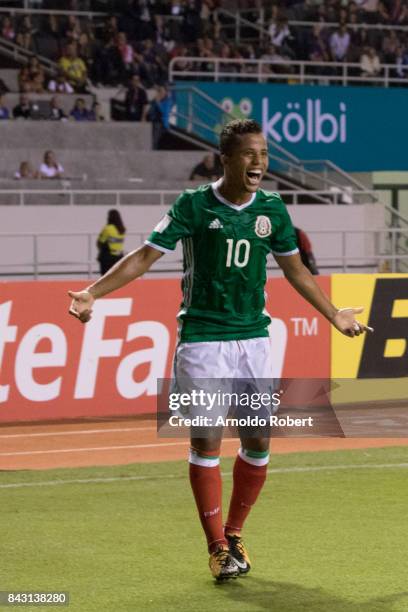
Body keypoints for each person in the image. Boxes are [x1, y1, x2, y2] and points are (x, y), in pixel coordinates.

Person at [68, 119, 372, 582]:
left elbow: (296, 272)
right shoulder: (193, 205)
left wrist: (334, 315)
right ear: (226, 158)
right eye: (249, 154)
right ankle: (215, 548)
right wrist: (93, 291)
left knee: (258, 443)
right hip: (203, 340)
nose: (259, 163)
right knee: (206, 441)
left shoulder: (272, 208)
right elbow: (145, 257)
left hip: (254, 340)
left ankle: (233, 534)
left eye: (264, 154)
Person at [96, 209, 126, 275]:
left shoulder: (107, 228)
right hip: (119, 256)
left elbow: (100, 242)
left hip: (107, 257)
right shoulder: (122, 229)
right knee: (116, 277)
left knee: (105, 278)